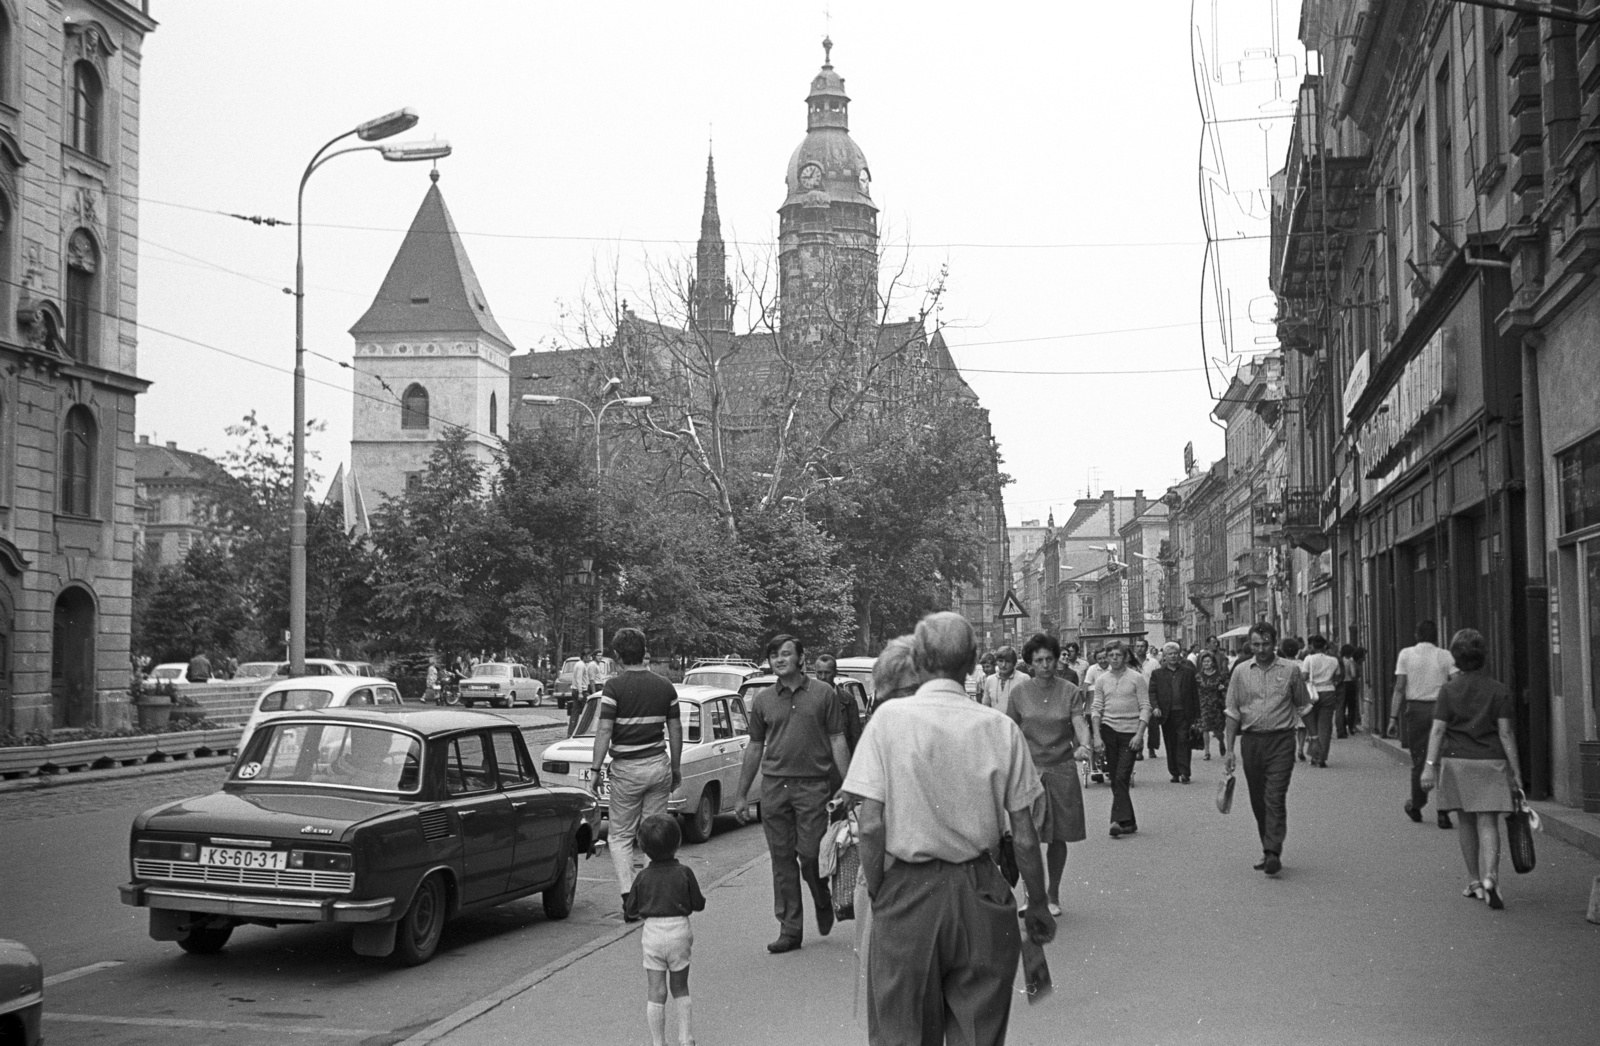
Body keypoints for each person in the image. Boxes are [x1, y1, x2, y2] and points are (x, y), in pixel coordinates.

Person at [845, 611, 1054, 1046]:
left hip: (908, 889)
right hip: (981, 890)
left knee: (902, 1032)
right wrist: (1036, 902)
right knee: (978, 1032)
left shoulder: (888, 721)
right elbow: (1025, 833)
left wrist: (880, 892)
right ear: (974, 662)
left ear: (919, 660)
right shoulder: (1000, 728)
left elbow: (871, 825)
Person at [734, 634, 850, 953]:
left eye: (786, 653)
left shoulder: (824, 693)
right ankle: (790, 929)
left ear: (801, 658)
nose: (779, 659)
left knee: (811, 855)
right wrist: (741, 795)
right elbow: (755, 746)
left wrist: (850, 785)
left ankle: (822, 897)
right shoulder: (763, 700)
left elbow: (837, 739)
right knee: (782, 858)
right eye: (774, 655)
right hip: (775, 787)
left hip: (813, 786)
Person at [1418, 628, 1525, 910]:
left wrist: (1429, 767)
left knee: (1466, 821)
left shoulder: (1448, 690)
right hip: (1491, 761)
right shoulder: (1499, 690)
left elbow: (1438, 730)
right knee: (1488, 822)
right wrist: (1515, 772)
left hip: (1457, 762)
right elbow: (1506, 733)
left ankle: (1474, 881)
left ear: (1455, 658)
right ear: (1484, 656)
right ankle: (1492, 877)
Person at [590, 628, 683, 922]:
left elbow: (605, 729)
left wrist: (595, 769)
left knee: (620, 835)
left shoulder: (614, 688)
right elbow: (675, 729)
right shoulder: (665, 686)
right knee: (653, 834)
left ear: (618, 656)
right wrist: (675, 767)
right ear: (644, 652)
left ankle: (630, 898)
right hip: (658, 766)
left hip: (627, 771)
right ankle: (652, 897)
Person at [1006, 632, 1090, 916]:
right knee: (1025, 836)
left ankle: (1053, 894)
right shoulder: (1019, 693)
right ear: (1030, 663)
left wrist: (1085, 745)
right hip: (1029, 771)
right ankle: (1031, 896)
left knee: (1058, 836)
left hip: (1062, 768)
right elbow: (1010, 730)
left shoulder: (1069, 690)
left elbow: (1078, 721)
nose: (1045, 665)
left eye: (1050, 659)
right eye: (1039, 660)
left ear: (1057, 660)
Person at [1223, 621, 1312, 876]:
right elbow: (1232, 712)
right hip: (1252, 742)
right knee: (1258, 798)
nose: (1261, 649)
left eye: (1266, 644)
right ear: (1250, 645)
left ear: (1275, 643)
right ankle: (1267, 846)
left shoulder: (1290, 670)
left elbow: (1303, 705)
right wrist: (1229, 750)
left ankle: (1273, 850)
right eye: (1256, 644)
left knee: (1275, 795)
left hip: (1281, 741)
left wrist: (1315, 737)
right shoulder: (1240, 672)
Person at [631, 813, 706, 1046]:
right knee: (680, 987)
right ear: (678, 842)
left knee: (656, 990)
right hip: (679, 930)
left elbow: (630, 910)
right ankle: (685, 1037)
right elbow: (698, 904)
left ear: (643, 847)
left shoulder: (642, 877)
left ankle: (658, 1042)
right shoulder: (684, 872)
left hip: (653, 933)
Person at [1392, 620, 1458, 830]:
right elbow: (1456, 682)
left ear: (1416, 635)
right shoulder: (1445, 655)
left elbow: (1400, 687)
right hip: (1442, 709)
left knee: (1420, 760)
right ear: (1436, 636)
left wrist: (1393, 717)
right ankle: (1443, 811)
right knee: (1442, 761)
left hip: (1416, 710)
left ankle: (1417, 805)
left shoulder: (1406, 654)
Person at [1090, 640, 1150, 837]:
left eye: (1118, 655)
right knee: (1115, 777)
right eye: (1111, 655)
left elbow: (1145, 706)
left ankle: (1116, 820)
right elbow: (1096, 708)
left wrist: (1140, 734)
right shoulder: (1101, 680)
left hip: (1130, 733)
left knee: (1122, 776)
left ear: (1125, 657)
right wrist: (1097, 736)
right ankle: (1129, 822)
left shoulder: (1136, 678)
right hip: (1109, 731)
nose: (1114, 659)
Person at [1149, 642, 1201, 783]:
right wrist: (1155, 707)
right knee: (1170, 743)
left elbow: (1194, 694)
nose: (1173, 656)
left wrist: (1197, 716)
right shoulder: (1157, 674)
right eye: (1169, 654)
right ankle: (1174, 772)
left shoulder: (1188, 672)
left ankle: (1184, 772)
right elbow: (1152, 692)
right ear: (1164, 657)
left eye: (1175, 654)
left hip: (1184, 713)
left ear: (1179, 655)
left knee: (1183, 741)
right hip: (1166, 714)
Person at [1300, 635, 1343, 767]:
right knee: (1324, 726)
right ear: (1325, 646)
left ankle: (1314, 755)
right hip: (1329, 691)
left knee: (1312, 726)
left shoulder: (1309, 659)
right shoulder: (1334, 660)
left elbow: (1304, 676)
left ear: (1312, 646)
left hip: (1312, 693)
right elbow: (1338, 676)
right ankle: (1321, 758)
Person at [1195, 649, 1227, 760]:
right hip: (1203, 706)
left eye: (1208, 661)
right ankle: (1207, 752)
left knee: (1218, 731)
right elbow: (1194, 690)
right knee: (1205, 729)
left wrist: (1223, 688)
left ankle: (1221, 741)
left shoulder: (1220, 676)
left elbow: (1227, 687)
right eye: (1204, 662)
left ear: (1213, 663)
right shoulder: (1198, 676)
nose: (1206, 664)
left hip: (1217, 706)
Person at [979, 645, 1027, 716]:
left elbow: (1029, 707)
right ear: (996, 662)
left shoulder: (1023, 678)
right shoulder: (990, 680)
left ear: (1014, 663)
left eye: (1007, 661)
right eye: (1000, 661)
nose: (1003, 665)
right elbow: (986, 706)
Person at [1337, 643, 1362, 737]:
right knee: (1351, 707)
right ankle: (1351, 727)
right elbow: (1353, 674)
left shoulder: (1340, 661)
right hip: (1350, 684)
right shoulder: (1350, 661)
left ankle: (1342, 729)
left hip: (1341, 684)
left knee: (1342, 708)